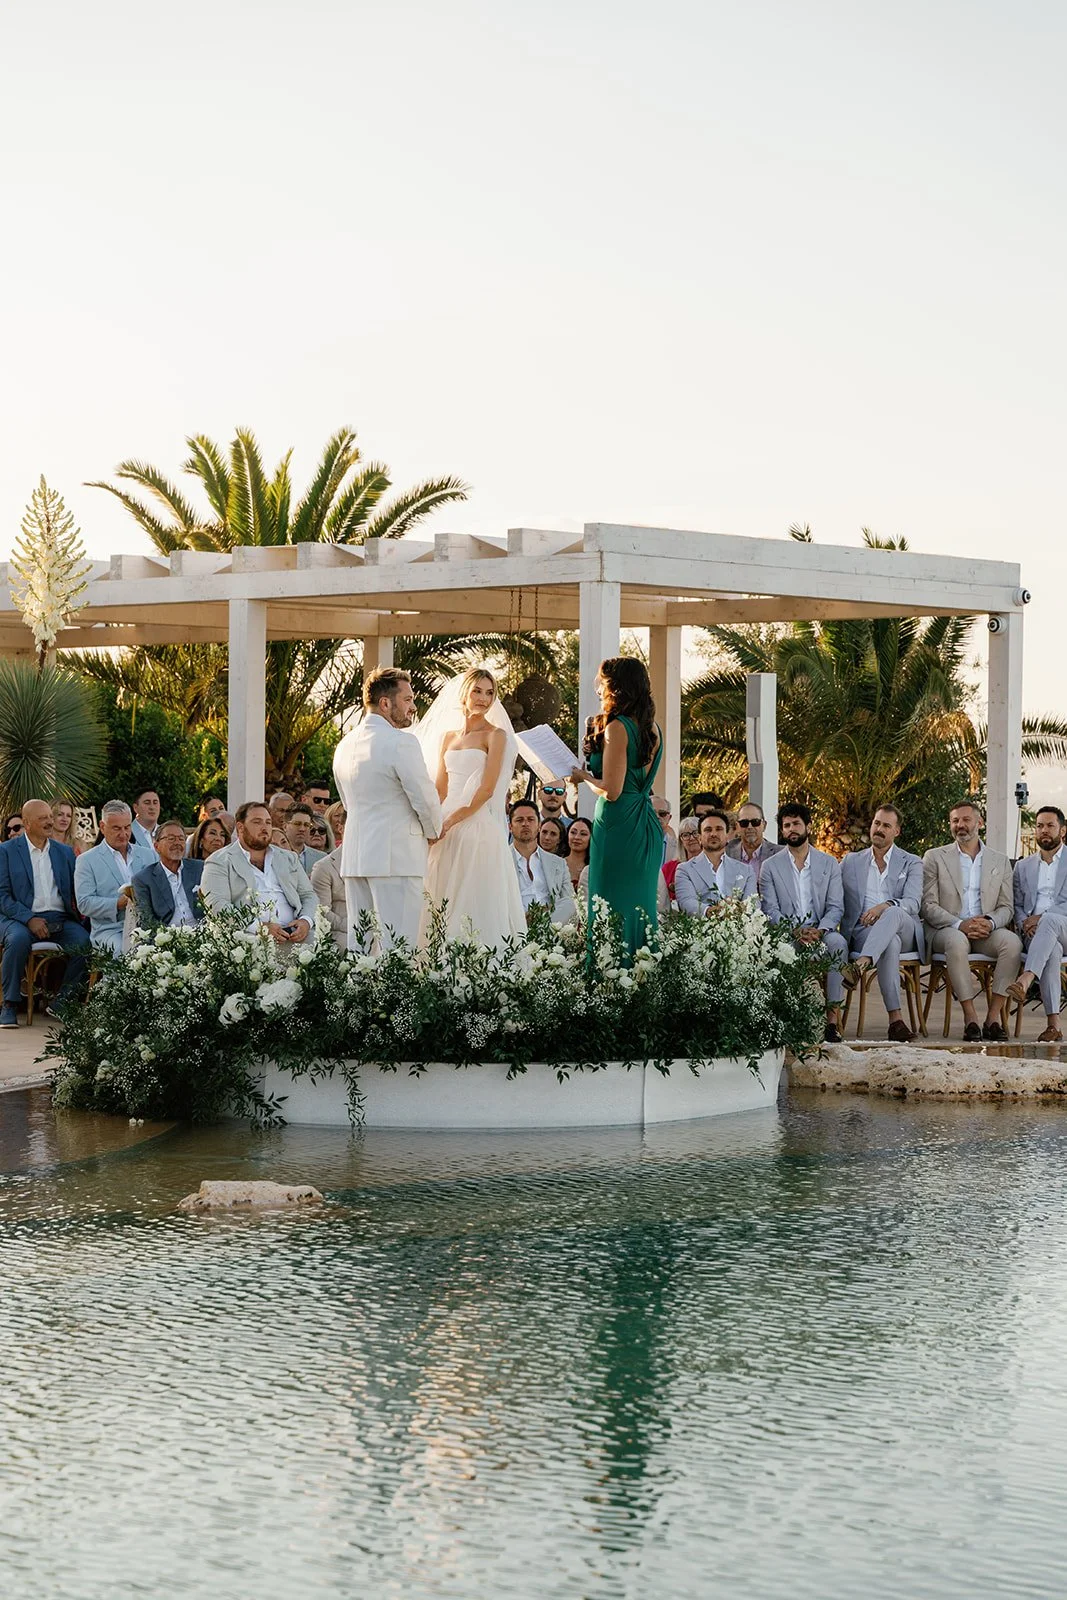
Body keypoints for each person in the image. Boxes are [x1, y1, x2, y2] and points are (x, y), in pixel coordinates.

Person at [332, 667, 443, 951]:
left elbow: (347, 803)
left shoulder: (344, 745)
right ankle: (395, 997)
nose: (413, 707)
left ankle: (361, 997)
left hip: (357, 857)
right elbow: (424, 797)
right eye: (407, 699)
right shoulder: (401, 742)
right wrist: (434, 831)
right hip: (397, 857)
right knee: (399, 948)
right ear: (385, 703)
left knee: (362, 947)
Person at [417, 667, 527, 949]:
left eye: (489, 693)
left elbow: (486, 790)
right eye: (477, 690)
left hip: (475, 824)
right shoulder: (448, 737)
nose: (483, 698)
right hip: (443, 826)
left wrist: (453, 820)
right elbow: (440, 789)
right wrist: (432, 822)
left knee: (470, 900)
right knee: (437, 895)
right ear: (464, 692)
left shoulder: (496, 735)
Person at [571, 656, 663, 955]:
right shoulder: (653, 729)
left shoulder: (617, 728)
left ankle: (610, 979)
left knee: (610, 903)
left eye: (604, 682)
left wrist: (582, 776)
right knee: (639, 907)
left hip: (618, 825)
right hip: (644, 824)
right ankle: (641, 975)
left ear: (618, 687)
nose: (599, 687)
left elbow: (611, 790)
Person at [921, 799, 1022, 1042]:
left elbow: (1007, 906)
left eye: (966, 820)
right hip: (946, 929)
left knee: (1012, 943)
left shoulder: (999, 860)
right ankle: (971, 1018)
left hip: (985, 930)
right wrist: (959, 924)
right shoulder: (935, 857)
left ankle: (993, 1018)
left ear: (980, 822)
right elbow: (927, 905)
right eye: (955, 821)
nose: (960, 826)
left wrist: (989, 922)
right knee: (956, 941)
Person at [760, 802, 847, 1043]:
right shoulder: (770, 867)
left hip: (822, 929)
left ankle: (831, 1021)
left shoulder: (828, 863)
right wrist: (795, 930)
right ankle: (791, 1020)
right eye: (786, 825)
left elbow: (836, 906)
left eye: (796, 823)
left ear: (808, 826)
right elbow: (770, 909)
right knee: (779, 949)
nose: (791, 829)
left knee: (837, 943)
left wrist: (820, 930)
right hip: (789, 932)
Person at [0, 800, 90, 1028]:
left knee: (85, 942)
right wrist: (28, 919)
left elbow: (75, 890)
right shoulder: (6, 851)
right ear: (27, 823)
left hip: (59, 919)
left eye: (50, 817)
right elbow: (2, 895)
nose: (50, 822)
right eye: (43, 819)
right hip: (20, 918)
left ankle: (63, 1001)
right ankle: (9, 1005)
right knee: (17, 940)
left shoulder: (65, 853)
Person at [840, 805, 924, 1043]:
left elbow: (913, 902)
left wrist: (884, 906)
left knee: (894, 913)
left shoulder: (911, 862)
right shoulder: (851, 861)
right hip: (864, 932)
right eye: (877, 823)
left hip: (904, 925)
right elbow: (834, 896)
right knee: (890, 943)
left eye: (886, 825)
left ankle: (862, 963)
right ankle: (896, 1021)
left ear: (896, 831)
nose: (879, 829)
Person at [200, 801, 316, 945]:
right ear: (240, 828)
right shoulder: (219, 861)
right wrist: (259, 927)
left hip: (296, 936)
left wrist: (306, 921)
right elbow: (217, 904)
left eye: (268, 822)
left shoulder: (288, 857)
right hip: (250, 939)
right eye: (257, 822)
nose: (265, 827)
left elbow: (308, 895)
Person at [1009, 805, 1067, 1041]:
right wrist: (1025, 922)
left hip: (1065, 928)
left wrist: (1041, 918)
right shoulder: (1023, 867)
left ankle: (1026, 978)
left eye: (1050, 826)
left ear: (1062, 831)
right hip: (1035, 936)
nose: (1044, 830)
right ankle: (1054, 1025)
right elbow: (1017, 904)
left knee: (1051, 920)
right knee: (1051, 950)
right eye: (1040, 825)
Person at [73, 800, 155, 953]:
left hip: (148, 926)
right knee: (124, 950)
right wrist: (118, 903)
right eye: (116, 828)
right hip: (110, 930)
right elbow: (84, 903)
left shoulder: (148, 855)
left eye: (127, 827)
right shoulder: (87, 860)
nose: (123, 834)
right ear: (102, 827)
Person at [675, 811, 756, 916]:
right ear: (699, 837)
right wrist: (712, 912)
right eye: (708, 830)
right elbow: (686, 902)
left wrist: (735, 911)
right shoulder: (685, 870)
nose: (713, 834)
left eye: (719, 829)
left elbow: (753, 904)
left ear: (727, 836)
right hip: (700, 928)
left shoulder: (746, 871)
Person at [509, 800, 576, 924]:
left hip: (550, 924)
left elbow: (569, 901)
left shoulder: (558, 863)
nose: (525, 824)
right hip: (515, 924)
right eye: (519, 820)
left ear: (539, 825)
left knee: (570, 903)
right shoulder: (501, 859)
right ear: (510, 827)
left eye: (530, 819)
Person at [131, 820, 205, 930]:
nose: (177, 843)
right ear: (156, 846)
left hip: (203, 932)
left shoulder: (200, 868)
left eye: (181, 839)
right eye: (171, 839)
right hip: (167, 937)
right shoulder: (143, 879)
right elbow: (146, 920)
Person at [310, 806, 347, 951]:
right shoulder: (323, 867)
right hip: (341, 934)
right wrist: (352, 925)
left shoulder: (377, 864)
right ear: (340, 828)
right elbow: (322, 912)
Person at [726, 802, 782, 884]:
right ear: (737, 827)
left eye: (755, 822)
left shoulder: (779, 854)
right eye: (744, 823)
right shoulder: (727, 852)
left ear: (764, 825)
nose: (750, 827)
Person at [664, 816, 700, 905]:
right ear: (681, 840)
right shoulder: (669, 868)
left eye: (695, 833)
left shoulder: (712, 865)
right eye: (686, 835)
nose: (691, 838)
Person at [284, 804, 326, 874]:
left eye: (307, 825)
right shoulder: (274, 855)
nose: (302, 829)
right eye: (297, 824)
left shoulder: (322, 858)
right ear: (285, 826)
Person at [563, 816, 591, 891]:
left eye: (583, 834)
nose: (577, 837)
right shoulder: (558, 864)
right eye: (573, 832)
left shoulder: (594, 868)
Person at [651, 796, 681, 866]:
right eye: (652, 813)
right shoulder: (632, 842)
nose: (657, 816)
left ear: (669, 818)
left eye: (662, 814)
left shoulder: (678, 847)